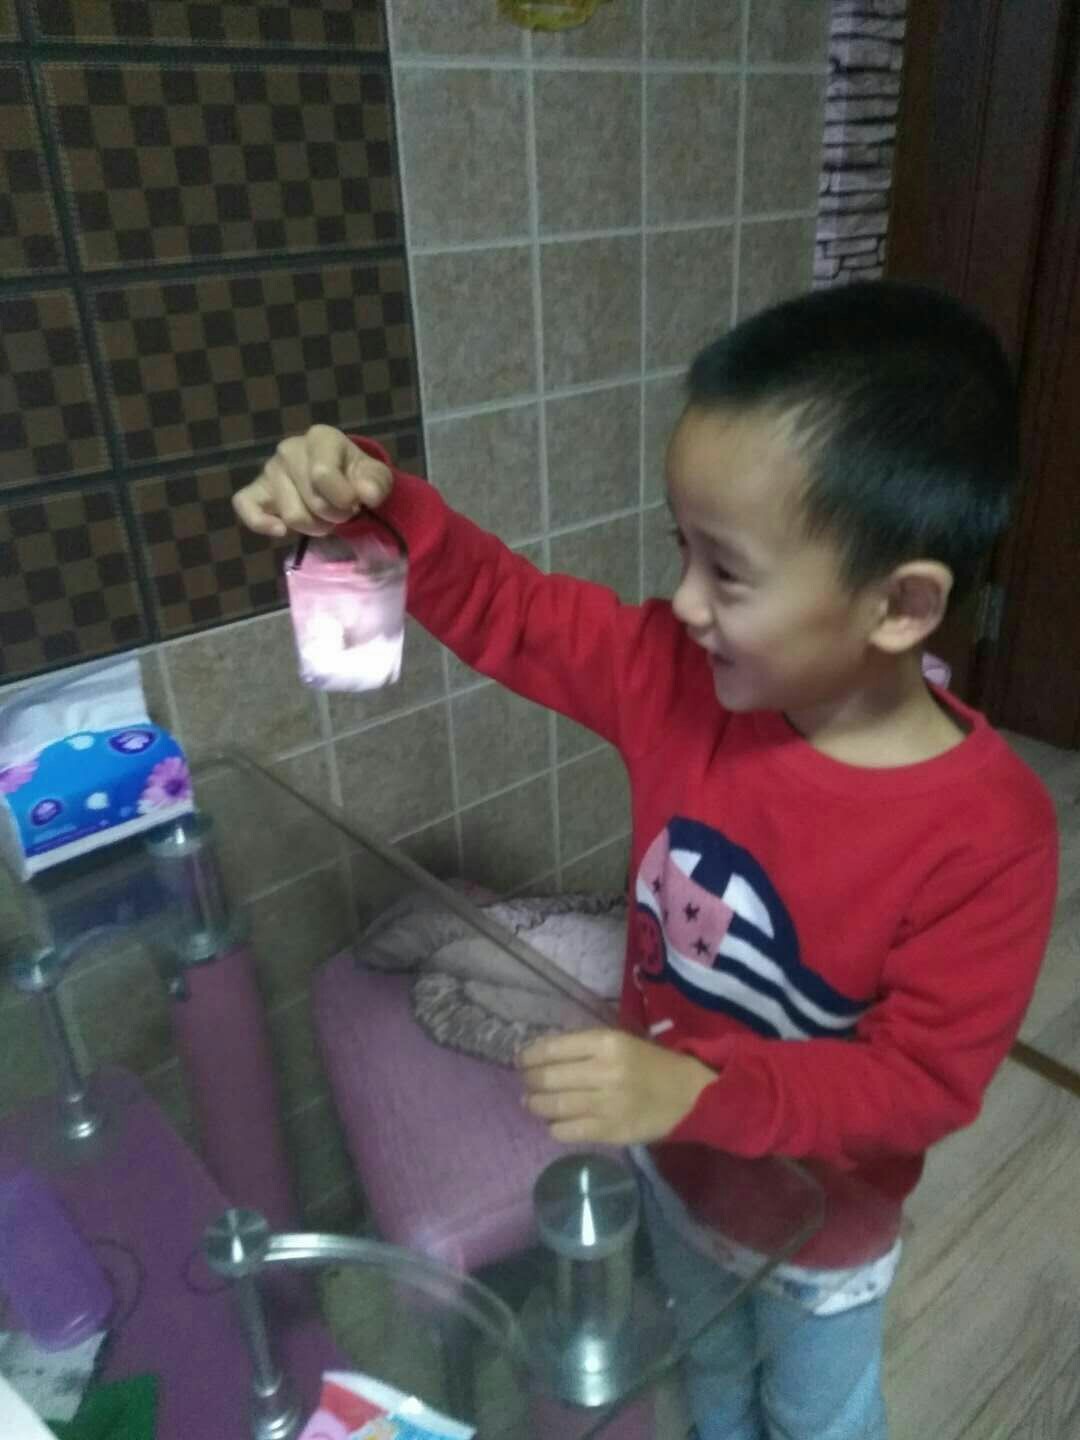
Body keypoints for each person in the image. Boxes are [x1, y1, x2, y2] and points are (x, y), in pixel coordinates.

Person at [233, 281, 1058, 1439]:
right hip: (673, 1172)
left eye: (729, 572)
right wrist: (377, 504)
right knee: (708, 1374)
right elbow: (515, 611)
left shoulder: (987, 834)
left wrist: (703, 1092)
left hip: (821, 1230)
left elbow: (918, 1085)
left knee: (816, 1416)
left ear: (900, 605)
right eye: (683, 550)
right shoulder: (679, 677)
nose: (682, 602)